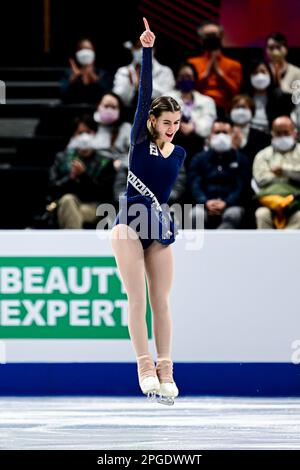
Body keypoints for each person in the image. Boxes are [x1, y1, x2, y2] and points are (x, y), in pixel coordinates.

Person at [110, 18, 186, 405]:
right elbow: (143, 96)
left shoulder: (182, 152)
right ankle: (144, 366)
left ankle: (166, 367)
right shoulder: (140, 139)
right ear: (153, 121)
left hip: (158, 223)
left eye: (177, 123)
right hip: (127, 222)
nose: (172, 128)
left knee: (162, 300)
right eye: (166, 122)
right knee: (136, 298)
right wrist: (147, 50)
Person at [49, 115, 115, 228]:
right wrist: (71, 177)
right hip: (64, 204)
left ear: (95, 134)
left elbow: (104, 193)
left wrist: (83, 176)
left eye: (88, 132)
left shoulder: (105, 161)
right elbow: (52, 188)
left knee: (70, 209)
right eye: (80, 133)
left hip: (94, 207)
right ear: (74, 135)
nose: (84, 137)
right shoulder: (62, 158)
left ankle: (72, 244)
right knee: (68, 200)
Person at [188, 120, 251, 229]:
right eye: (217, 132)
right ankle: (201, 245)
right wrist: (205, 202)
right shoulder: (199, 159)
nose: (221, 136)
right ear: (210, 135)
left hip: (231, 205)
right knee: (195, 215)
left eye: (225, 132)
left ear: (232, 135)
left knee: (233, 215)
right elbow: (194, 184)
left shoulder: (241, 159)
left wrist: (226, 202)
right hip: (205, 204)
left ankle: (219, 245)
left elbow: (242, 187)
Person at [253, 116, 300, 229]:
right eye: (278, 133)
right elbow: (261, 180)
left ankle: (288, 246)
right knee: (261, 214)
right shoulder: (262, 155)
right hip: (269, 201)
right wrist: (292, 175)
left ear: (294, 133)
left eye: (286, 133)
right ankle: (266, 247)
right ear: (272, 134)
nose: (282, 136)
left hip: (296, 201)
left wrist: (284, 171)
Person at [167, 62, 217, 168]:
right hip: (172, 144)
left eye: (189, 76)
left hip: (198, 145)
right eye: (182, 77)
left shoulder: (207, 101)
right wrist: (178, 124)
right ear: (177, 79)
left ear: (195, 79)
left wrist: (194, 126)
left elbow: (207, 126)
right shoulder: (167, 98)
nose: (186, 79)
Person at [113, 36, 175, 118]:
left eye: (146, 46)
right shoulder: (123, 71)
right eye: (138, 47)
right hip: (129, 116)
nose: (142, 50)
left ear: (153, 50)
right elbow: (119, 99)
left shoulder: (165, 71)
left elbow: (167, 98)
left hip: (157, 116)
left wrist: (143, 83)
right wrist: (131, 85)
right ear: (133, 50)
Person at [188, 20, 242, 112]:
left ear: (221, 37)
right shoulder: (192, 63)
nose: (211, 38)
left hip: (225, 109)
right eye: (208, 36)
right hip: (197, 109)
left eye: (214, 35)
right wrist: (206, 73)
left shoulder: (234, 64)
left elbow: (235, 91)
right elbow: (188, 88)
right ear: (201, 39)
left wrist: (220, 75)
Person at [246, 60, 293, 133]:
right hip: (250, 135)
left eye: (263, 72)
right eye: (255, 72)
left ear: (270, 75)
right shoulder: (245, 97)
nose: (259, 76)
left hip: (272, 134)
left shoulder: (280, 97)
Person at [60, 38, 111, 104]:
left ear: (94, 52)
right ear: (77, 52)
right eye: (83, 49)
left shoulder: (102, 73)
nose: (86, 53)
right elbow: (63, 96)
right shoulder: (68, 73)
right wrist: (74, 77)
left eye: (89, 49)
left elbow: (108, 95)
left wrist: (93, 76)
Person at [229, 94, 271, 163]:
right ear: (230, 111)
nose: (240, 111)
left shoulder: (262, 137)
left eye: (243, 107)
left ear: (252, 111)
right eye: (237, 107)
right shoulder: (223, 133)